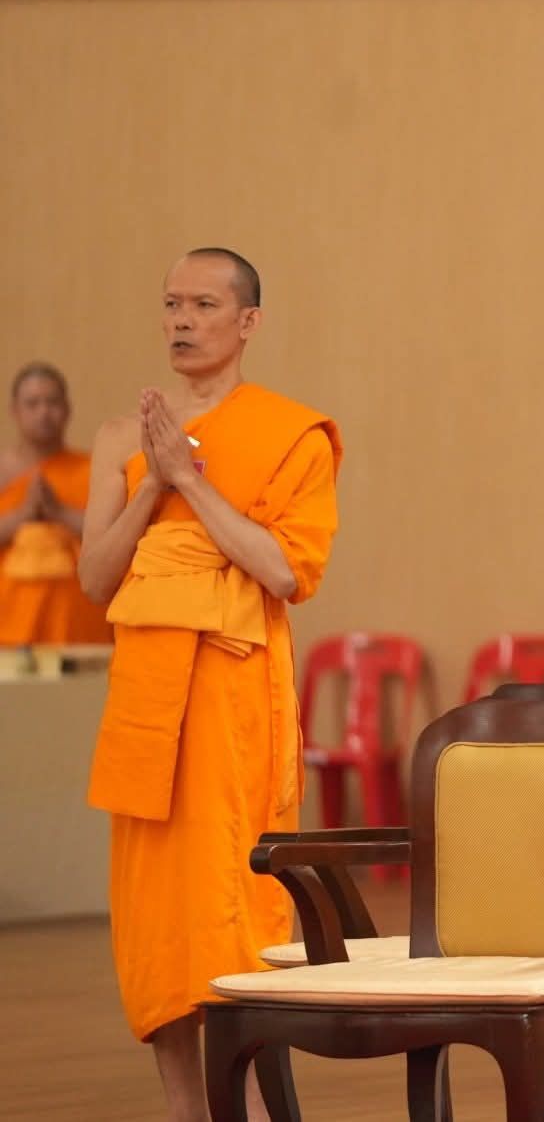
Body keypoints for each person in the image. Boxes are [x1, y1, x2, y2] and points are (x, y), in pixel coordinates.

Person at [80, 249, 340, 1121]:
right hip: (146, 698)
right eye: (170, 303)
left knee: (232, 905)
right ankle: (186, 1109)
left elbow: (284, 569)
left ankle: (251, 1107)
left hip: (230, 702)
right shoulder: (124, 439)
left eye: (202, 303)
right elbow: (96, 578)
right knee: (156, 920)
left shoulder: (291, 433)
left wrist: (190, 477)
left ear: (248, 322)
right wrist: (153, 481)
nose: (181, 320)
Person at [0, 362, 111, 644]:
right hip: (8, 622)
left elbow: (114, 540)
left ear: (67, 409)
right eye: (33, 404)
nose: (43, 413)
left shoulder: (90, 470)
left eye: (52, 402)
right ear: (14, 411)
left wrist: (59, 512)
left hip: (78, 624)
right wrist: (23, 514)